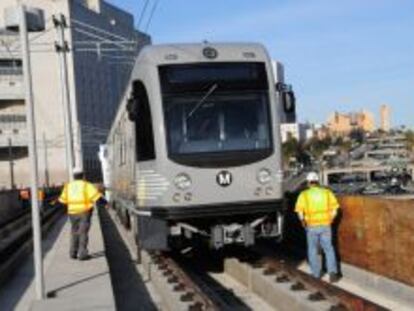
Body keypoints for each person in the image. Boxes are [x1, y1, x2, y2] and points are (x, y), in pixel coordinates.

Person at [295, 172, 341, 283]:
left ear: (308, 182)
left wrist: (302, 221)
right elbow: (335, 209)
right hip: (325, 224)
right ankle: (332, 273)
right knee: (329, 249)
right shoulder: (327, 193)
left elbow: (300, 212)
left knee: (312, 249)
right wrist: (330, 219)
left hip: (311, 226)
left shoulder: (304, 195)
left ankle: (316, 274)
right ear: (318, 181)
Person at [58, 168, 104, 260]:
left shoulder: (68, 186)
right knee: (83, 232)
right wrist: (106, 203)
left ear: (74, 176)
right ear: (83, 175)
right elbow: (97, 198)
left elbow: (62, 201)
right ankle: (82, 254)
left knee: (74, 232)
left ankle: (73, 252)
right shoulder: (86, 185)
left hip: (72, 213)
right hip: (84, 212)